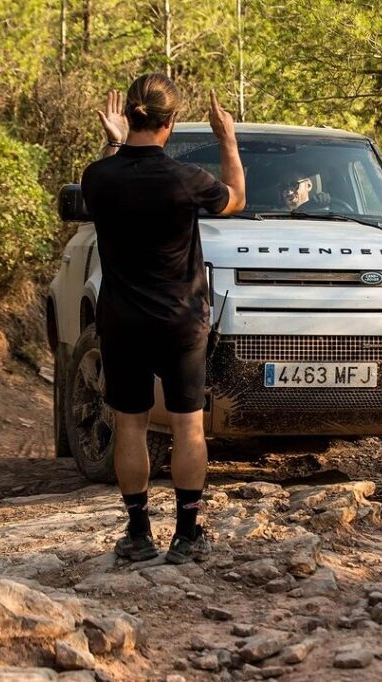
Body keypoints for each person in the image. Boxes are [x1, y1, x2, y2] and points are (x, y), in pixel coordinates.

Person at [80, 73, 245, 564]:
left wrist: (113, 145)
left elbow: (105, 183)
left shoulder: (98, 175)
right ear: (170, 122)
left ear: (129, 116)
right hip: (181, 322)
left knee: (129, 425)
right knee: (186, 427)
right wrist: (227, 139)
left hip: (122, 322)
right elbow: (235, 197)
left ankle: (137, 534)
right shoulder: (185, 179)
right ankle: (188, 535)